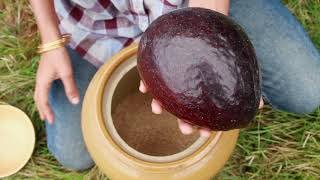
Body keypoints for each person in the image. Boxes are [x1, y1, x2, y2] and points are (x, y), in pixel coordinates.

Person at [29, 0, 320, 171]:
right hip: (96, 25)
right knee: (72, 154)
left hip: (190, 7)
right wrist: (51, 39)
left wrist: (207, 24)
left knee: (308, 90)